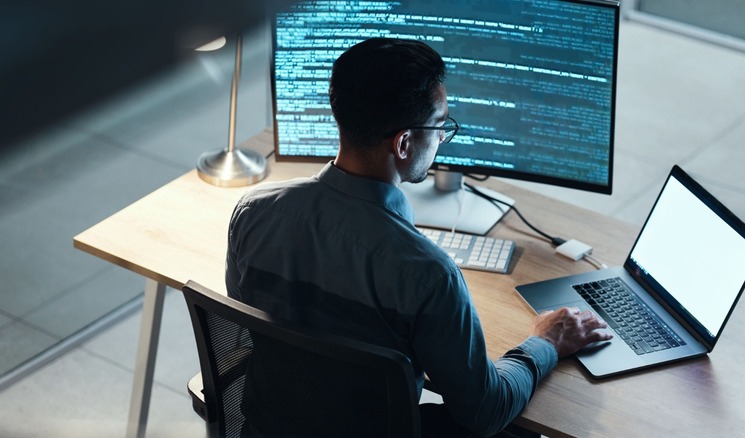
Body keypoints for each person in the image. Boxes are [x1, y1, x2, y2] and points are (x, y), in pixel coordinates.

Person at [226, 37, 612, 437]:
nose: (443, 135)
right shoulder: (428, 274)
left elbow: (250, 324)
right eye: (440, 124)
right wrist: (545, 342)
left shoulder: (253, 211)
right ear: (405, 143)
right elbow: (486, 410)